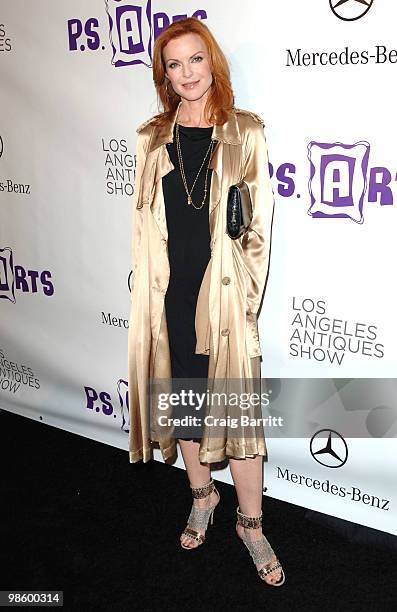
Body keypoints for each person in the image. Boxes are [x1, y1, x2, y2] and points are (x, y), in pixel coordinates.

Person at [128, 17, 284, 586]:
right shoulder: (151, 139)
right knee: (187, 412)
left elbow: (259, 231)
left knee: (237, 420)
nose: (188, 73)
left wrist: (241, 305)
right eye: (175, 64)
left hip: (221, 303)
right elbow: (145, 228)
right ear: (163, 75)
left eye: (197, 60)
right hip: (170, 298)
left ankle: (251, 522)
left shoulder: (247, 133)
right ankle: (202, 496)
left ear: (211, 63)